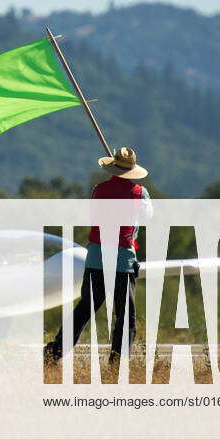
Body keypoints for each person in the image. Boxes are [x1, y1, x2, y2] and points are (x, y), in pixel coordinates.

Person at [46, 146, 152, 363]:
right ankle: (117, 361)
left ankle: (54, 351)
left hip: (96, 258)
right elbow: (147, 217)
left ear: (112, 167)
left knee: (85, 309)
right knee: (125, 316)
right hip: (122, 260)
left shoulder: (98, 190)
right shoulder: (140, 193)